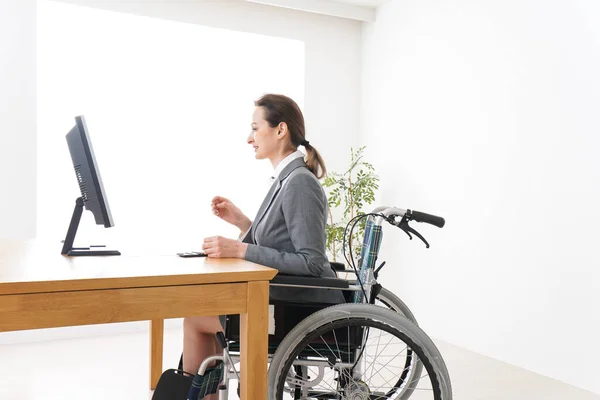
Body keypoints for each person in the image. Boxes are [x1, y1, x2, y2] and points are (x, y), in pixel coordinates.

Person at [182, 94, 344, 392]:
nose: (249, 138)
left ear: (280, 130)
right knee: (198, 311)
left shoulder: (299, 182)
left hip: (297, 308)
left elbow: (311, 262)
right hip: (283, 299)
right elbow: (281, 242)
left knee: (194, 318)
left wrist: (240, 249)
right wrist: (242, 222)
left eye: (255, 128)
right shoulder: (286, 179)